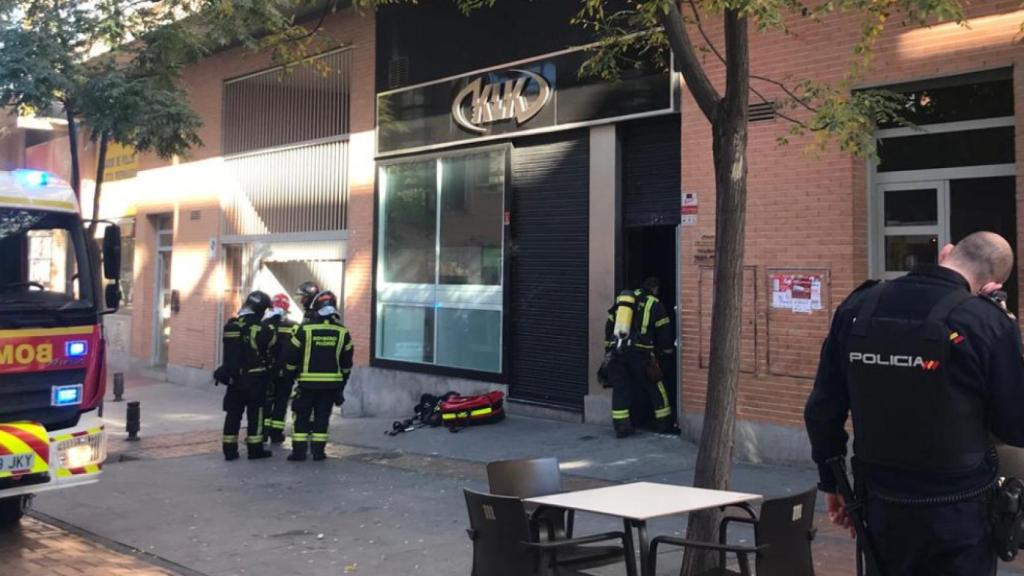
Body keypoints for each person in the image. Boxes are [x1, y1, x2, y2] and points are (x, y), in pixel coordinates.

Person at [805, 231, 1024, 575]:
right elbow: (1014, 424)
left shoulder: (859, 306)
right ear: (991, 285)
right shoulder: (988, 323)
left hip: (880, 504)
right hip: (958, 511)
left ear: (947, 253)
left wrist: (831, 482)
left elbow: (821, 410)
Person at [282, 291, 353, 462]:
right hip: (331, 387)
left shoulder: (304, 330)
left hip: (307, 385)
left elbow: (291, 357)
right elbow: (346, 364)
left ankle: (299, 452)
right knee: (322, 418)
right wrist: (341, 384)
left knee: (301, 416)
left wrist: (289, 377)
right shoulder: (342, 332)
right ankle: (319, 452)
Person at [604, 277, 676, 438]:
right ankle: (664, 424)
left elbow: (609, 325)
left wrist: (608, 349)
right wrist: (667, 352)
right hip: (641, 355)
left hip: (618, 352)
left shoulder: (623, 302)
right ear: (655, 289)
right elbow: (664, 331)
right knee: (656, 385)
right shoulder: (654, 304)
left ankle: (622, 427)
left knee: (621, 389)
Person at [214, 290, 275, 461]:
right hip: (255, 381)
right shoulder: (262, 328)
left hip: (234, 380)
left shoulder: (231, 326)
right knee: (256, 415)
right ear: (260, 309)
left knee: (233, 415)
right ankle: (255, 450)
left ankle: (229, 451)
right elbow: (270, 349)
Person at [262, 293, 298, 444]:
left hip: (268, 371)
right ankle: (276, 434)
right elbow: (297, 350)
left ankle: (262, 433)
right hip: (287, 372)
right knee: (281, 403)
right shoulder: (295, 326)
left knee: (266, 403)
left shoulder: (265, 324)